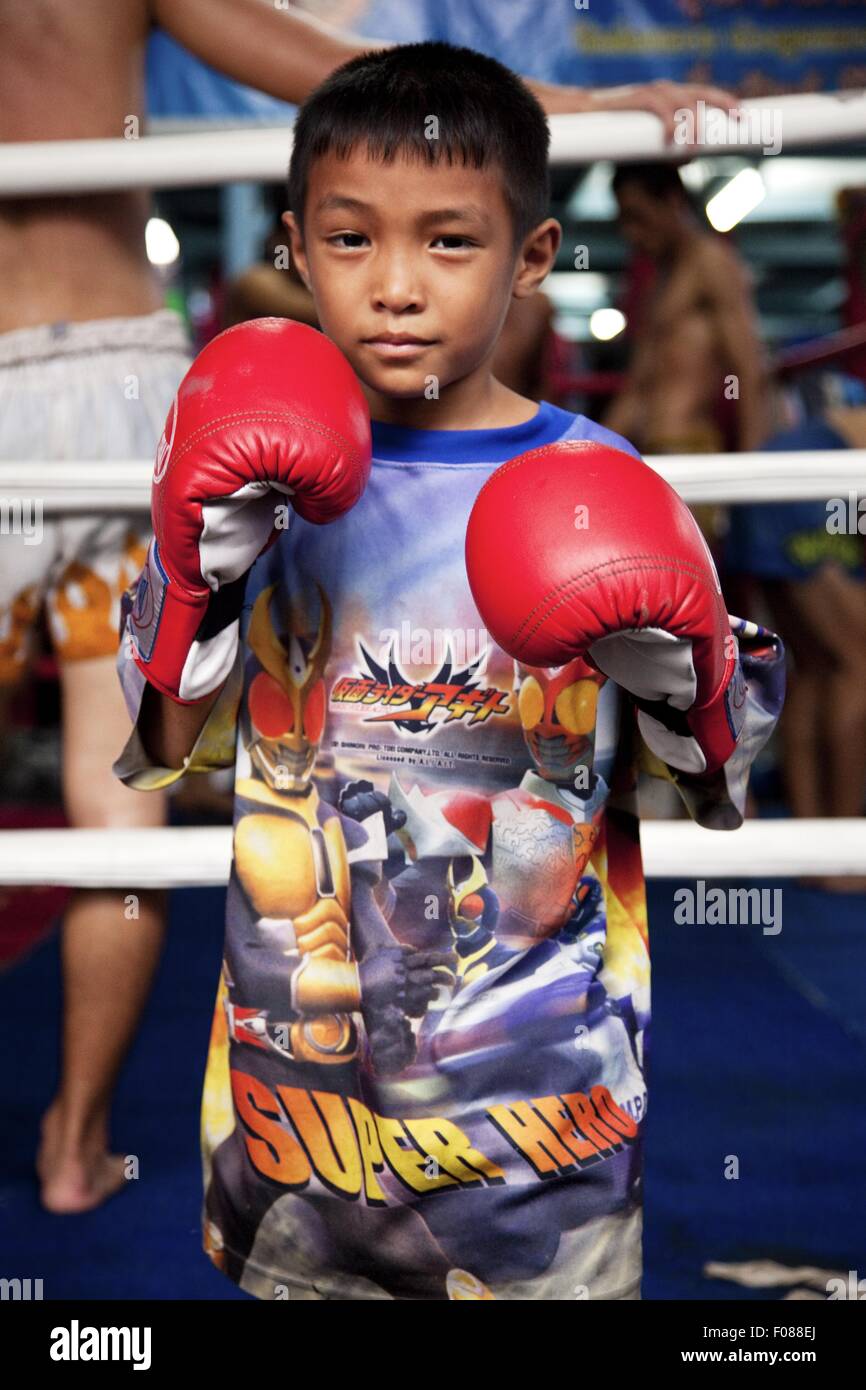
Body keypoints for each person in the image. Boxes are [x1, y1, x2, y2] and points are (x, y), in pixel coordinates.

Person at [0, 0, 735, 1217]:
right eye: (349, 241)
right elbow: (156, 752)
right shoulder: (271, 487)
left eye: (449, 243)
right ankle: (76, 1142)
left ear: (533, 254)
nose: (395, 287)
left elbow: (709, 787)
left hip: (536, 1103)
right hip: (305, 1102)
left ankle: (73, 1135)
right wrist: (200, 583)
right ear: (299, 247)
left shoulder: (601, 483)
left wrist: (683, 677)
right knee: (111, 812)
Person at [603, 162, 769, 456]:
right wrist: (590, 453)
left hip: (690, 448)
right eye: (624, 221)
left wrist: (753, 468)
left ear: (672, 201)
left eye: (637, 217)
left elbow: (748, 367)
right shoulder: (658, 283)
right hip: (650, 453)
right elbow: (636, 389)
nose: (631, 233)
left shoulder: (709, 261)